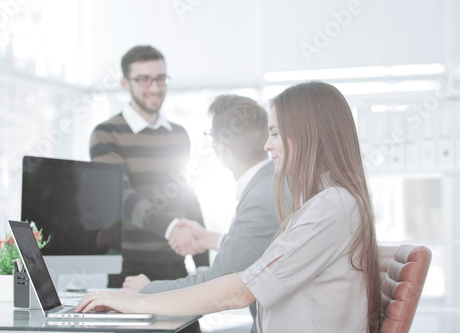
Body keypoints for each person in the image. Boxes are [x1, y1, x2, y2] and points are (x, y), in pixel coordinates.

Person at [78, 81, 382, 333]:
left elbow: (239, 289)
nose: (267, 145)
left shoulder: (329, 207)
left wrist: (137, 300)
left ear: (307, 134)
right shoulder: (327, 202)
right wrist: (211, 239)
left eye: (275, 133)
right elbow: (272, 257)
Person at [122, 94, 282, 332]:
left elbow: (218, 286)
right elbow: (266, 248)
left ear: (219, 144)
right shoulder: (271, 183)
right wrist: (211, 239)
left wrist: (145, 290)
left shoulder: (260, 198)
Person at [89, 45, 209, 288]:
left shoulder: (178, 134)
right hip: (129, 267)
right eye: (144, 80)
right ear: (125, 83)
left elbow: (185, 193)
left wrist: (202, 259)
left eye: (160, 78)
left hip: (175, 263)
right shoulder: (106, 133)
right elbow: (120, 196)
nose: (154, 88)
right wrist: (171, 227)